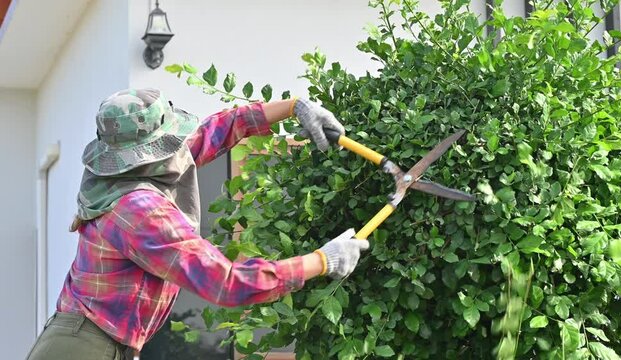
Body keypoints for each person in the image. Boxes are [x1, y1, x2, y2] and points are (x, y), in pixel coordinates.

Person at [26, 89, 370, 360]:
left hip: (89, 339)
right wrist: (324, 260)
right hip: (85, 349)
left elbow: (215, 132)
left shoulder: (126, 166)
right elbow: (226, 282)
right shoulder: (138, 211)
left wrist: (296, 107)